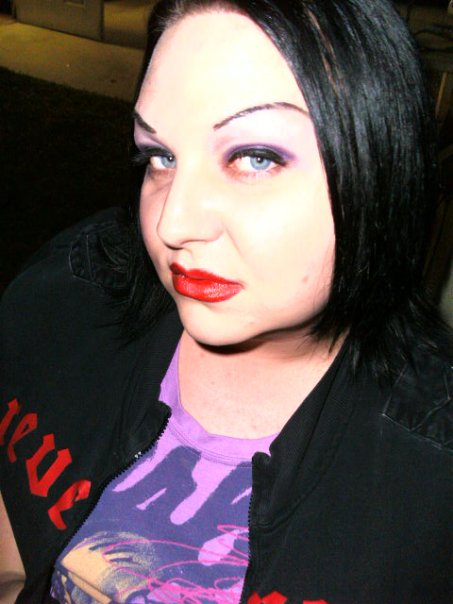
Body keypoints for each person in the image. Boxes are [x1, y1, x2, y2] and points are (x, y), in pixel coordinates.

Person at [1, 0, 452, 602]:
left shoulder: (432, 480)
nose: (172, 224)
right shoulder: (67, 298)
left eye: (254, 158)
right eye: (160, 156)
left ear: (382, 164)